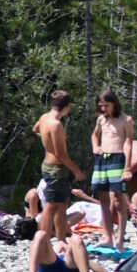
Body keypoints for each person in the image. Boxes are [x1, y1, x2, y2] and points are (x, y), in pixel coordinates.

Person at [32, 90, 82, 245]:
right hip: (56, 168)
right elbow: (61, 154)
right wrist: (76, 171)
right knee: (51, 206)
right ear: (66, 107)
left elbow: (35, 129)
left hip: (48, 166)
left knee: (61, 205)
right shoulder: (56, 125)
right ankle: (42, 240)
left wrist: (46, 141)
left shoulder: (44, 117)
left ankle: (61, 240)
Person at [89, 91, 133, 244]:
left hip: (118, 158)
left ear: (114, 103)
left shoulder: (126, 119)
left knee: (119, 201)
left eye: (106, 105)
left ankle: (120, 237)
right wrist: (95, 146)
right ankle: (108, 236)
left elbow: (128, 143)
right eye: (101, 106)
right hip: (102, 159)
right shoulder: (101, 119)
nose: (103, 109)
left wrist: (127, 168)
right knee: (103, 198)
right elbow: (94, 135)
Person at [31, 228, 96, 272]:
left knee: (76, 239)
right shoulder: (52, 248)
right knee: (40, 234)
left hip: (71, 270)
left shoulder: (75, 245)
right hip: (50, 268)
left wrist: (82, 258)